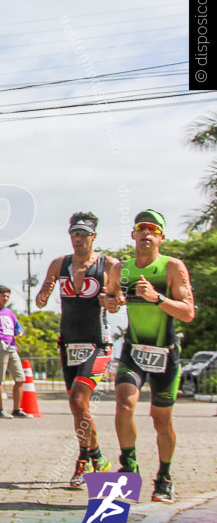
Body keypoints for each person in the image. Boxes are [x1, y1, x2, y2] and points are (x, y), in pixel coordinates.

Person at [102, 210, 194, 503]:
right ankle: (128, 467)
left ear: (161, 237)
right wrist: (111, 302)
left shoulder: (172, 268)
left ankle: (164, 477)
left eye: (153, 229)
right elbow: (112, 300)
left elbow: (189, 313)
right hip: (134, 349)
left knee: (161, 420)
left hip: (165, 353)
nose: (146, 233)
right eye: (141, 228)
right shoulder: (121, 269)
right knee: (125, 403)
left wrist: (158, 298)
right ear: (133, 235)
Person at [35, 212, 119, 488]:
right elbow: (42, 297)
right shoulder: (60, 264)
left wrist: (111, 301)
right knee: (76, 406)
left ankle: (91, 458)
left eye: (84, 234)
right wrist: (43, 293)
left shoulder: (110, 265)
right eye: (74, 234)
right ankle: (91, 459)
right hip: (69, 344)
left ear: (94, 237)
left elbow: (119, 300)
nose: (78, 239)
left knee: (79, 400)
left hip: (98, 343)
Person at [0, 286, 29, 419]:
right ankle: (0, 410)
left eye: (7, 297)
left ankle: (16, 409)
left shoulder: (10, 312)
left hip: (11, 347)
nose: (5, 299)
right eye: (3, 296)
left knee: (20, 378)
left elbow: (17, 326)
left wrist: (20, 331)